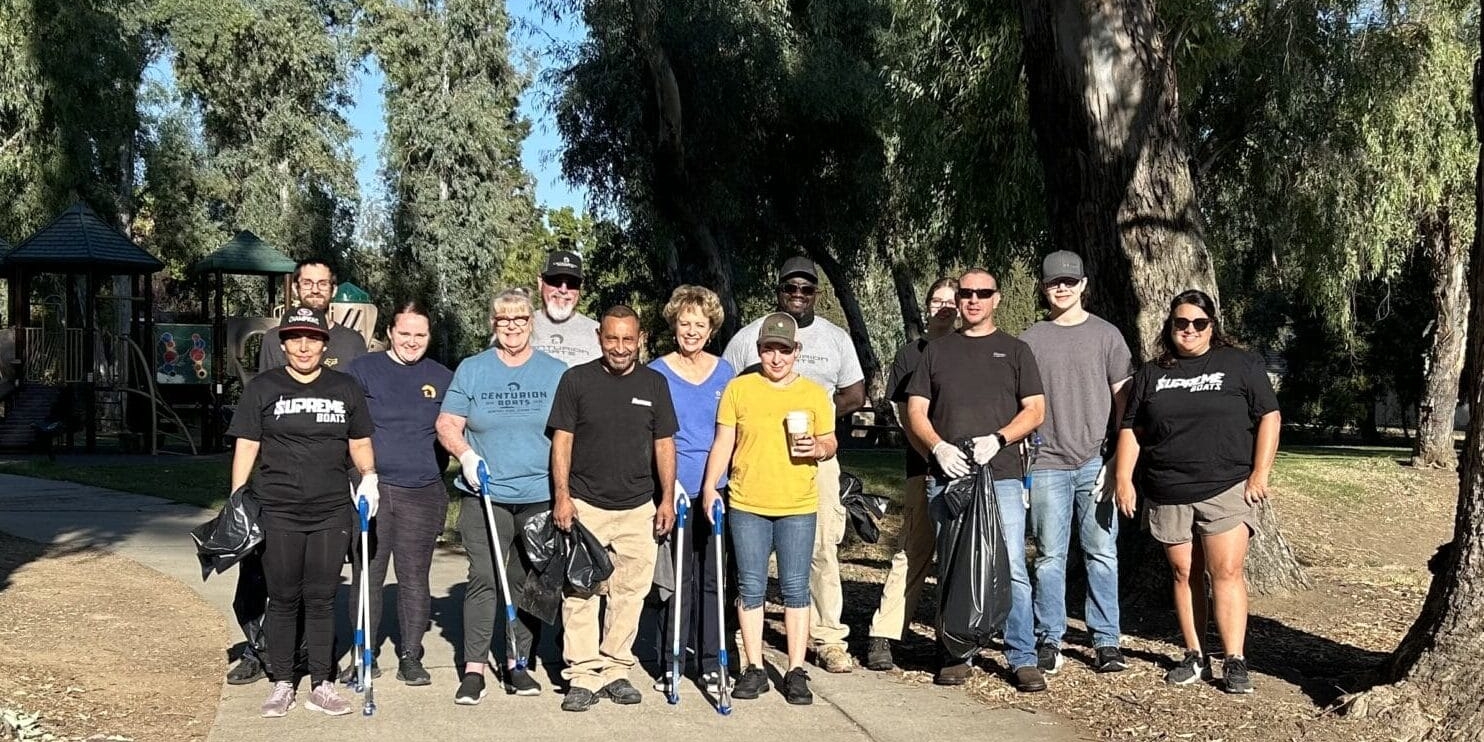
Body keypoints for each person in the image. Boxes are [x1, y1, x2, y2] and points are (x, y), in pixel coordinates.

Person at [1114, 289, 1280, 694]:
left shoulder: (1240, 364)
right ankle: (1194, 654)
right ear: (1169, 326)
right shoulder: (1152, 373)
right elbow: (1132, 430)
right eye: (1180, 323)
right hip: (1168, 488)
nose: (1188, 330)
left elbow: (1270, 417)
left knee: (1225, 572)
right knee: (1184, 572)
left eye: (1198, 323)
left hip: (1225, 487)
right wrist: (1123, 478)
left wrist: (1260, 473)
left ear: (1212, 326)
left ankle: (1235, 659)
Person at [226, 307, 376, 717]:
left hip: (330, 510)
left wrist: (369, 477)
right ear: (284, 343)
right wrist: (237, 498)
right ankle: (281, 683)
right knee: (284, 598)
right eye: (295, 338)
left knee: (322, 598)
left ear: (324, 343)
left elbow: (359, 442)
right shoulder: (263, 388)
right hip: (279, 509)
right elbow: (247, 446)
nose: (304, 345)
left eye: (312, 338)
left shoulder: (345, 387)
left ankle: (321, 683)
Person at [904, 268, 1047, 691]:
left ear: (996, 299)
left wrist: (999, 439)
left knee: (1012, 566)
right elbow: (915, 410)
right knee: (952, 564)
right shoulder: (936, 351)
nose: (973, 300)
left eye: (983, 293)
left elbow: (1035, 410)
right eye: (966, 293)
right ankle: (955, 651)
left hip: (1000, 473)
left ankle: (1021, 655)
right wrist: (937, 448)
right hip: (949, 475)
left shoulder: (1016, 351)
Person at [721, 256, 863, 674]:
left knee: (820, 548)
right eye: (790, 288)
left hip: (815, 457)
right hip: (758, 459)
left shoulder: (835, 338)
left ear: (817, 293)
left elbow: (855, 394)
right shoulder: (749, 337)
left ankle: (828, 637)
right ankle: (745, 638)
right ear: (778, 290)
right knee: (750, 554)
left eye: (807, 289)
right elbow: (725, 387)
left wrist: (816, 415)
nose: (798, 296)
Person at [436, 288, 567, 705]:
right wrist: (466, 455)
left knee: (527, 581)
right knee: (484, 578)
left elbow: (568, 433)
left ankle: (519, 664)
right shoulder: (473, 369)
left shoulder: (555, 371)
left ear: (532, 323)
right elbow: (447, 423)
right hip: (485, 493)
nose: (512, 327)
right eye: (503, 320)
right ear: (493, 324)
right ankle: (474, 669)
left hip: (538, 495)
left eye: (520, 320)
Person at [703, 312, 838, 706]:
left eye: (783, 350)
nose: (776, 358)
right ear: (758, 350)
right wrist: (711, 486)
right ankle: (754, 667)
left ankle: (796, 669)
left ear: (796, 351)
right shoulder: (739, 389)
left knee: (795, 587)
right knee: (750, 586)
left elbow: (830, 442)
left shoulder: (813, 394)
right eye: (768, 349)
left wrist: (818, 447)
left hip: (797, 504)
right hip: (747, 502)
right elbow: (724, 442)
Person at [548, 305, 678, 712]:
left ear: (639, 339)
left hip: (639, 507)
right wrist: (562, 496)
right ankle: (584, 675)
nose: (619, 347)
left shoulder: (655, 383)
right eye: (611, 338)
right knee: (581, 591)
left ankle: (616, 668)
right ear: (599, 338)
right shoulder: (576, 381)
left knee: (629, 593)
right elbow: (562, 442)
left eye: (627, 339)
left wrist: (667, 499)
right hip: (586, 505)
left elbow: (664, 444)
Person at [1019, 251, 1134, 675]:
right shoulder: (1030, 340)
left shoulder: (1107, 336)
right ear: (1044, 288)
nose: (1062, 288)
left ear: (1084, 285)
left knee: (1101, 552)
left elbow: (1125, 403)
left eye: (1069, 281)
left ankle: (1106, 640)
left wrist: (1117, 459)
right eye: (1054, 283)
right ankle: (1049, 637)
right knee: (1049, 556)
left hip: (1095, 462)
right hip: (1047, 462)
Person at [340, 301, 453, 687]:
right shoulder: (362, 369)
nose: (411, 341)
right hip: (372, 487)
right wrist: (361, 475)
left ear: (429, 337)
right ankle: (363, 655)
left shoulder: (441, 376)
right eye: (404, 333)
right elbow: (348, 427)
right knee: (367, 575)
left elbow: (456, 428)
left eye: (420, 335)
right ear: (390, 332)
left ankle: (411, 655)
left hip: (422, 490)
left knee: (414, 577)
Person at [864, 277, 958, 672]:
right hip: (923, 469)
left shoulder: (976, 350)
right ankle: (883, 634)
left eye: (950, 301)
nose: (943, 308)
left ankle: (953, 639)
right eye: (936, 301)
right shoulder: (910, 355)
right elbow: (906, 417)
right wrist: (934, 454)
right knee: (912, 552)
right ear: (926, 306)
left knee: (960, 559)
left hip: (972, 472)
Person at [648, 286, 734, 693]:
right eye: (685, 323)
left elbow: (730, 432)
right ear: (674, 325)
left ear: (712, 327)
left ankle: (712, 659)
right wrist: (669, 487)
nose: (692, 331)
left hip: (716, 490)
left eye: (700, 324)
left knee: (713, 577)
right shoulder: (657, 373)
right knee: (676, 578)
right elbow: (650, 436)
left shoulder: (725, 373)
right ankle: (672, 657)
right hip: (673, 490)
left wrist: (715, 484)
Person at [531, 249, 602, 366]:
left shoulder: (598, 332)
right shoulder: (518, 327)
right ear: (540, 282)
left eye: (572, 283)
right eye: (555, 281)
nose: (563, 290)